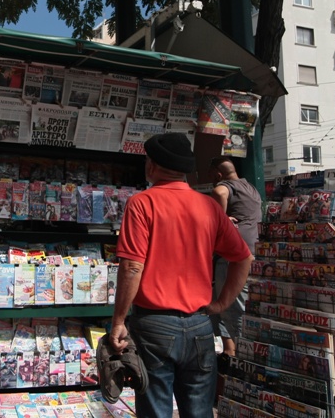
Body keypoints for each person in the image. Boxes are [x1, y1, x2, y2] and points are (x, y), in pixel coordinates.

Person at [108, 134, 253, 418]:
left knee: (156, 410)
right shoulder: (209, 206)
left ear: (152, 165)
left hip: (154, 327)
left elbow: (132, 267)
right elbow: (243, 257)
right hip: (200, 324)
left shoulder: (142, 203)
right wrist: (221, 304)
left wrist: (118, 321)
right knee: (199, 411)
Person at [208, 156, 262, 358]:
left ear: (218, 173)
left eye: (211, 175)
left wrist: (220, 219)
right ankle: (231, 354)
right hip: (252, 254)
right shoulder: (251, 188)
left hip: (234, 260)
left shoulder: (224, 186)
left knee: (232, 308)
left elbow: (219, 192)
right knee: (222, 310)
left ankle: (245, 357)